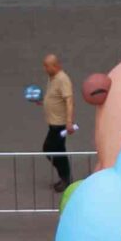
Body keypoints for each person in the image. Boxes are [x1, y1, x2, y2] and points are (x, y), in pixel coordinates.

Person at [40, 53, 77, 189]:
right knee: (57, 150)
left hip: (59, 125)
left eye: (47, 66)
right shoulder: (52, 78)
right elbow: (55, 97)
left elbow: (69, 101)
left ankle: (65, 178)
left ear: (55, 66)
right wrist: (43, 102)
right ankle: (64, 178)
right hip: (53, 123)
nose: (45, 69)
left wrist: (69, 122)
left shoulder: (62, 79)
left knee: (51, 150)